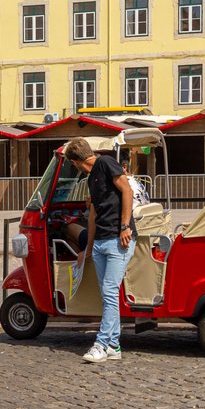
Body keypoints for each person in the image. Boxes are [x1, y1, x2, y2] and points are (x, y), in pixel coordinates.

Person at [63, 137, 134, 363]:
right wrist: (88, 246)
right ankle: (114, 345)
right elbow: (93, 215)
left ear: (75, 161)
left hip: (117, 239)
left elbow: (127, 191)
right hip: (102, 241)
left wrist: (124, 227)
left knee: (110, 292)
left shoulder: (105, 163)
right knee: (107, 295)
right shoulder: (90, 179)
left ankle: (101, 344)